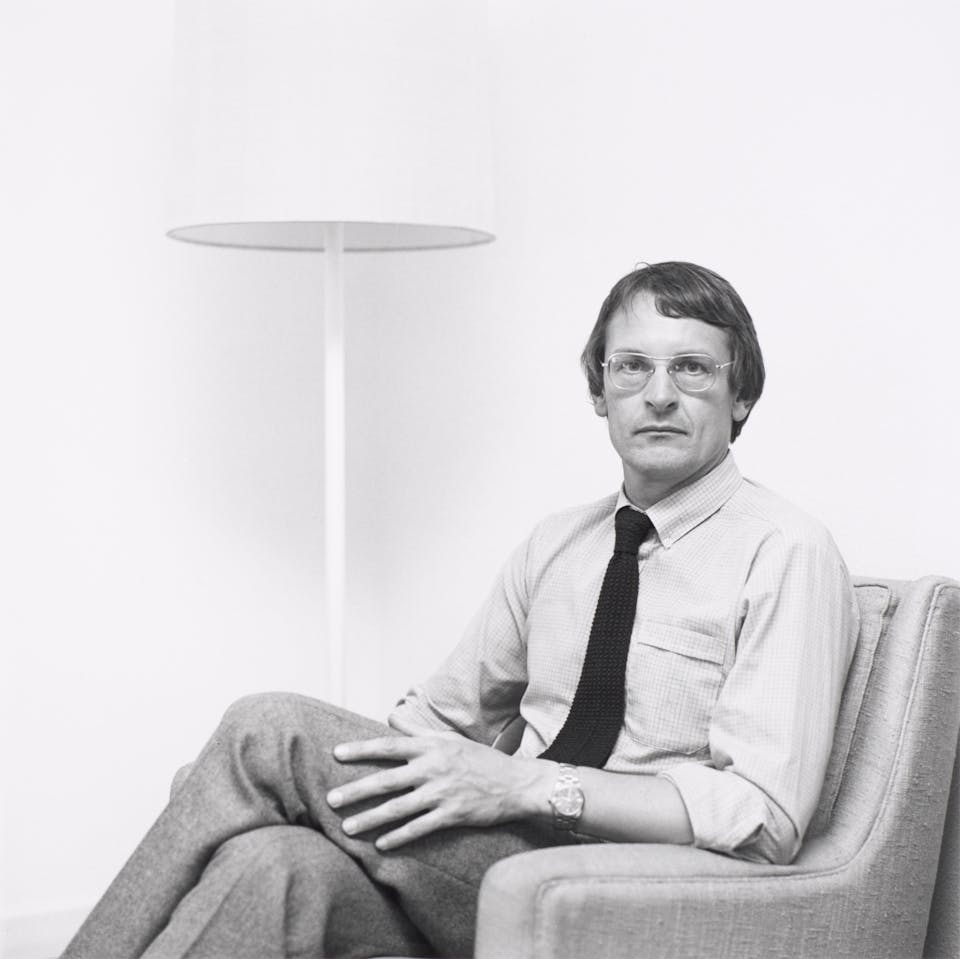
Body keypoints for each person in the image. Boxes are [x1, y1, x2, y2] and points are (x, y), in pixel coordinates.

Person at [63, 261, 859, 959]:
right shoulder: (559, 543)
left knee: (265, 730)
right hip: (502, 859)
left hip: (635, 880)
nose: (658, 394)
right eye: (631, 367)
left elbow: (763, 813)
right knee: (271, 862)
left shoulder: (785, 548)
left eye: (692, 368)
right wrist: (314, 791)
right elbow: (441, 718)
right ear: (599, 391)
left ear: (741, 394)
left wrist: (530, 785)